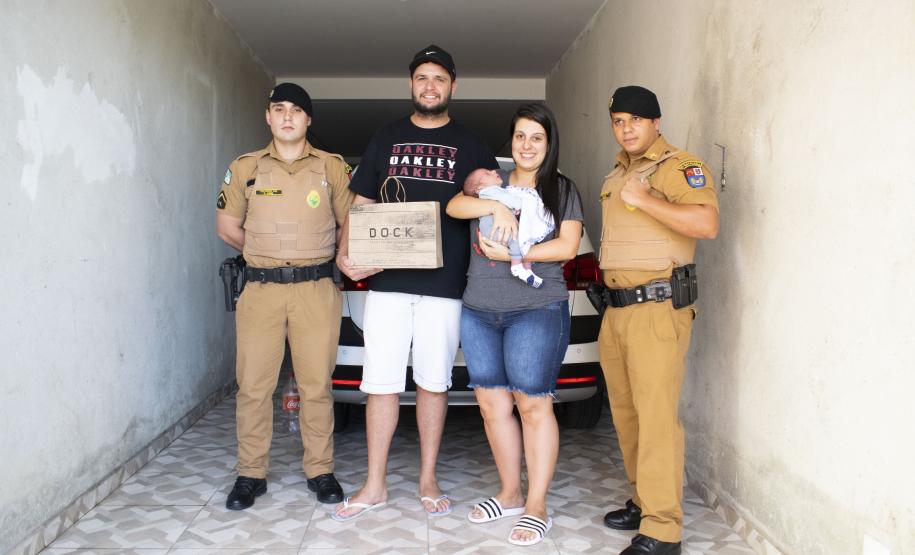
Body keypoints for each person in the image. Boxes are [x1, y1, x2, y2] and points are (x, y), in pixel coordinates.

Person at [332, 44, 498, 521]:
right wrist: (347, 255)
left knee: (433, 382)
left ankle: (428, 478)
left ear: (452, 87)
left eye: (439, 79)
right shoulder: (387, 136)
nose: (430, 86)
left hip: (445, 285)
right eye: (422, 77)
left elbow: (487, 201)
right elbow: (360, 202)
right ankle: (375, 483)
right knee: (380, 383)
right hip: (386, 282)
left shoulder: (472, 144)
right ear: (411, 84)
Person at [446, 103, 583, 546]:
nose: (527, 145)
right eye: (520, 136)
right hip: (479, 311)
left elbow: (567, 246)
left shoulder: (561, 189)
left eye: (536, 138)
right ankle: (510, 493)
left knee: (532, 404)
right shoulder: (489, 185)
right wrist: (494, 204)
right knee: (492, 406)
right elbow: (452, 206)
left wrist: (514, 257)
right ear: (511, 142)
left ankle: (537, 505)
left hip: (536, 309)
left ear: (549, 144)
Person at [215, 83, 352, 510]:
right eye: (279, 109)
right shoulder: (246, 167)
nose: (288, 116)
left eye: (296, 110)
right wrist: (266, 254)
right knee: (253, 387)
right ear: (268, 118)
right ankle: (250, 474)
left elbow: (351, 225)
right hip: (261, 290)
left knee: (316, 386)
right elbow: (227, 226)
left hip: (316, 289)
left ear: (308, 119)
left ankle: (320, 470)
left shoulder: (332, 168)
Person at [596, 86, 719, 555]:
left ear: (656, 122)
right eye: (617, 121)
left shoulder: (679, 167)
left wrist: (645, 200)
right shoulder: (615, 175)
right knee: (626, 416)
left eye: (634, 120)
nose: (625, 129)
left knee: (656, 419)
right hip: (618, 311)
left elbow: (705, 224)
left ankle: (664, 529)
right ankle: (644, 500)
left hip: (658, 309)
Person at [463, 168, 555, 288]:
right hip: (493, 227)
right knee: (517, 238)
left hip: (493, 228)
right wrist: (521, 204)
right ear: (478, 189)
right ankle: (516, 266)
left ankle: (527, 270)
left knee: (524, 241)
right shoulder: (490, 191)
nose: (494, 172)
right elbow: (512, 201)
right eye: (487, 173)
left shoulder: (493, 192)